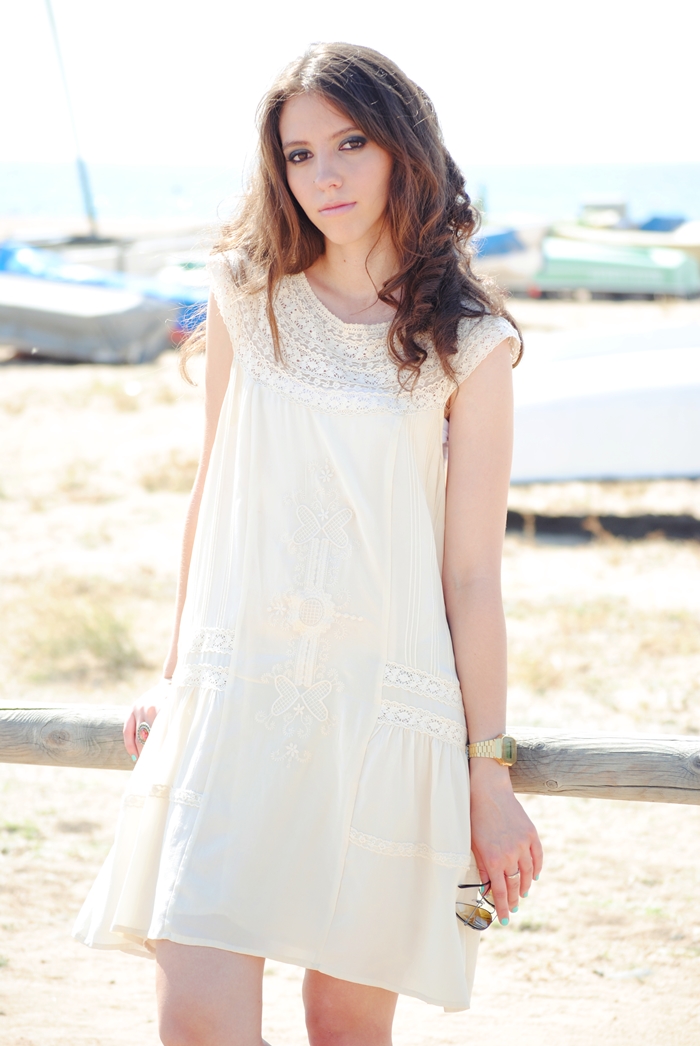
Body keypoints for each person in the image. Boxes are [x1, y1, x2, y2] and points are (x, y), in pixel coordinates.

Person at [74, 42, 543, 1046]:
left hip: (384, 708)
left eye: (350, 143)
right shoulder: (245, 296)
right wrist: (173, 670)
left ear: (404, 149)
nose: (324, 175)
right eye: (298, 154)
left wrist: (489, 770)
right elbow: (214, 486)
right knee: (197, 1017)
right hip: (236, 696)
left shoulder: (469, 341)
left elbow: (471, 575)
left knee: (343, 1024)